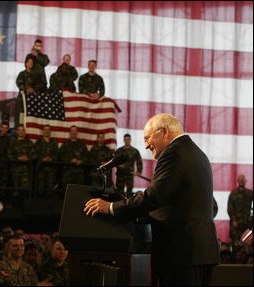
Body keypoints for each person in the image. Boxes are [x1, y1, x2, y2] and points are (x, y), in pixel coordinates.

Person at [84, 113, 220, 286]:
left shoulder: (174, 153)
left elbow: (154, 197)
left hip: (182, 252)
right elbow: (173, 200)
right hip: (200, 251)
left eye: (147, 138)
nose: (146, 145)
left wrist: (110, 207)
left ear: (164, 131)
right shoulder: (196, 153)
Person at [114, 133, 143, 198]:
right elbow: (114, 161)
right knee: (119, 192)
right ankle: (118, 205)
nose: (127, 141)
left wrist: (139, 171)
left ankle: (128, 206)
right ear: (124, 140)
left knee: (129, 192)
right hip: (120, 174)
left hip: (129, 174)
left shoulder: (134, 151)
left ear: (130, 140)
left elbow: (139, 161)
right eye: (125, 139)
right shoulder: (119, 150)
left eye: (128, 139)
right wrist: (118, 165)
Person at [227, 174, 253, 245]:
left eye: (243, 180)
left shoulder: (250, 193)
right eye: (240, 180)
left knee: (247, 244)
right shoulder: (233, 193)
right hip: (236, 223)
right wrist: (233, 220)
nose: (241, 181)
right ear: (237, 181)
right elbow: (230, 208)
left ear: (246, 181)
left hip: (248, 223)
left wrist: (251, 217)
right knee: (236, 244)